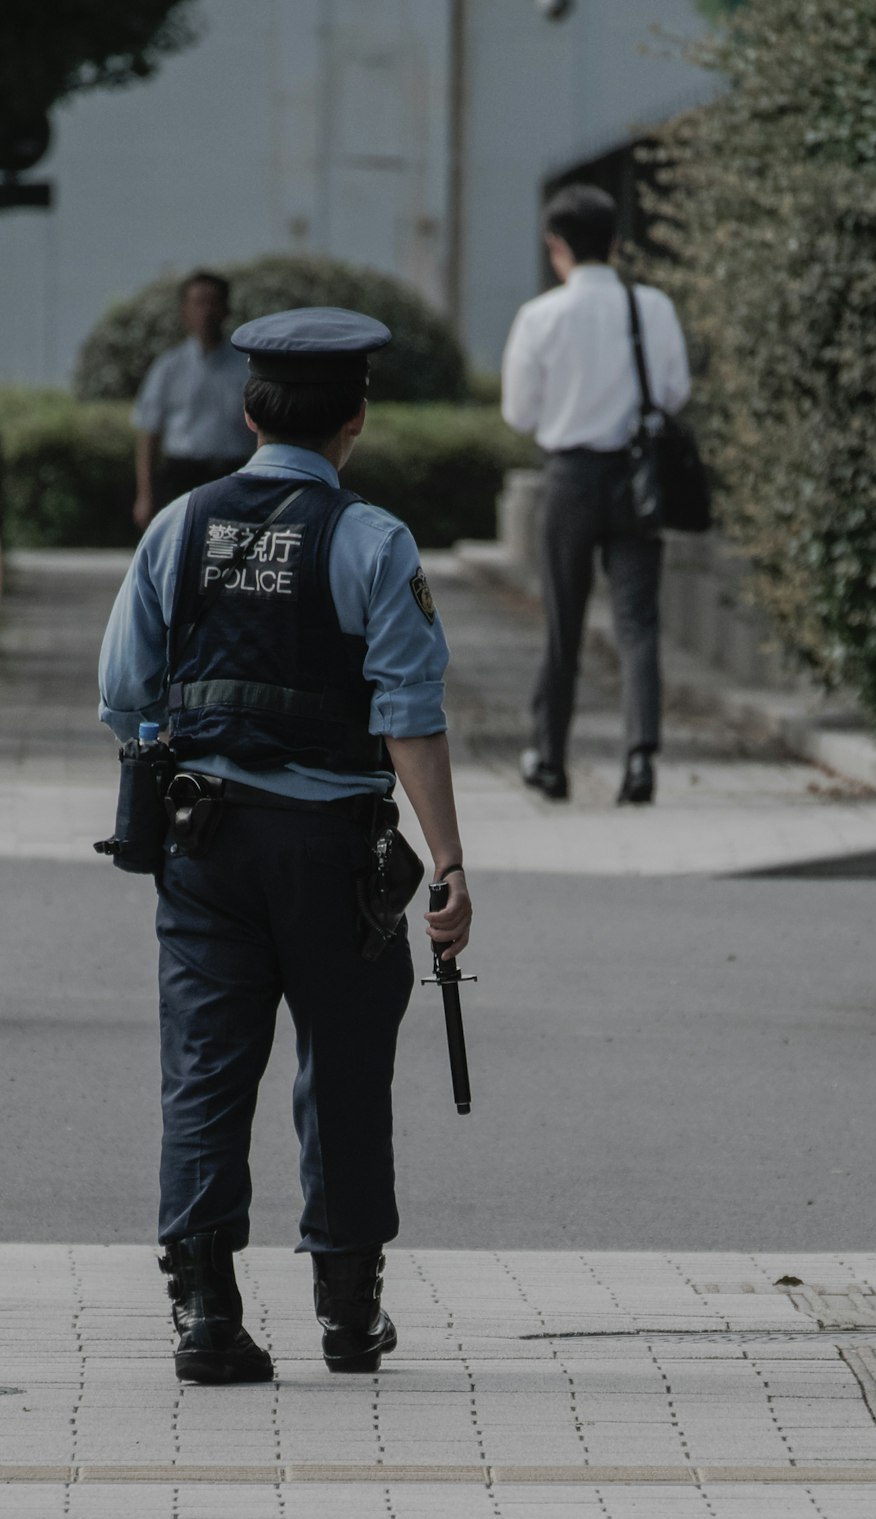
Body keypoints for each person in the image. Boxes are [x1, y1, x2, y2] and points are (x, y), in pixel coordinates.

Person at [98, 306, 474, 1385]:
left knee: (207, 1074)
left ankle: (206, 1314)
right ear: (357, 417)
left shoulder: (178, 525)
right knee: (346, 1072)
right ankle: (350, 1317)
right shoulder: (372, 542)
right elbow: (409, 713)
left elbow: (124, 692)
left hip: (204, 847)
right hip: (336, 855)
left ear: (246, 408)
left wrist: (180, 756)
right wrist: (446, 863)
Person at [501, 183, 691, 805]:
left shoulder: (540, 316)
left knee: (564, 623)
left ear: (555, 244)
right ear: (614, 242)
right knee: (639, 623)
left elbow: (519, 414)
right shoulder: (652, 308)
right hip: (637, 478)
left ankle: (549, 758)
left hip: (570, 479)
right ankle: (640, 760)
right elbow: (673, 392)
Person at [132, 271, 252, 528]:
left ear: (226, 309)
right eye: (198, 303)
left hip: (233, 473)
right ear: (184, 311)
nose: (206, 312)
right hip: (181, 475)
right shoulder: (168, 368)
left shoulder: (247, 367)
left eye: (213, 302)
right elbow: (149, 435)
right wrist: (145, 495)